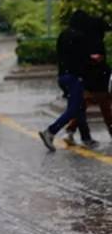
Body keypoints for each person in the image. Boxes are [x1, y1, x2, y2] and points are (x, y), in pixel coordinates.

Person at [39, 10, 101, 151]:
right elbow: (83, 59)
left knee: (79, 108)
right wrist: (93, 59)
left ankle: (86, 138)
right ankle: (50, 131)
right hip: (74, 78)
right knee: (73, 109)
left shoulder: (63, 35)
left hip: (63, 77)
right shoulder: (80, 36)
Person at [64, 16, 111, 144]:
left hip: (90, 80)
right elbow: (97, 62)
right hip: (98, 81)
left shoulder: (86, 40)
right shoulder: (97, 42)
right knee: (104, 106)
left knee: (86, 105)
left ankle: (70, 130)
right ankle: (71, 130)